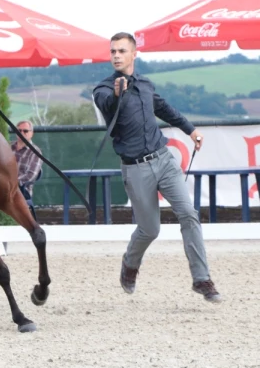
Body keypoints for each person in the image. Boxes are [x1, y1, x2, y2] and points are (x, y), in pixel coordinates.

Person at [92, 33, 219, 303]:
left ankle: (201, 279)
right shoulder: (103, 89)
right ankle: (130, 263)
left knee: (189, 214)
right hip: (135, 169)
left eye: (122, 51)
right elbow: (107, 105)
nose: (116, 55)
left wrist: (191, 130)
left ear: (133, 54)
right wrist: (118, 94)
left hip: (164, 160)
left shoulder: (146, 85)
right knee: (150, 230)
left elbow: (165, 109)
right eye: (113, 51)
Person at [12, 121, 43, 212]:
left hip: (21, 189)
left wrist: (12, 183)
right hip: (3, 186)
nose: (21, 133)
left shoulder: (35, 151)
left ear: (31, 133)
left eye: (25, 131)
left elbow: (30, 175)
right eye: (19, 130)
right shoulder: (8, 147)